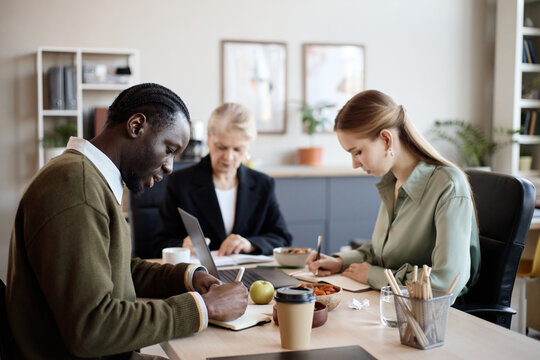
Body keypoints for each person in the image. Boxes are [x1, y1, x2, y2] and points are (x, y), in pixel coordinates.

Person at [6, 83, 248, 360]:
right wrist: (202, 308)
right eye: (168, 149)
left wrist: (188, 277)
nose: (170, 167)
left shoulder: (85, 178)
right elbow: (92, 328)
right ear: (135, 126)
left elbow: (114, 269)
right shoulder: (77, 187)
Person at [306, 90, 480, 303]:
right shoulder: (392, 183)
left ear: (386, 139)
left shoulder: (448, 186)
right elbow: (381, 251)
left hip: (434, 320)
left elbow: (444, 283)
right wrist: (340, 262)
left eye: (357, 152)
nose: (354, 164)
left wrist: (374, 276)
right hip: (392, 305)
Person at [151, 102, 292, 258]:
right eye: (221, 147)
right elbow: (158, 243)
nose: (228, 157)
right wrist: (182, 245)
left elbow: (283, 239)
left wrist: (250, 244)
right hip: (198, 276)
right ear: (208, 139)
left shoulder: (263, 184)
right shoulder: (180, 183)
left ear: (248, 147)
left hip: (249, 276)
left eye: (238, 149)